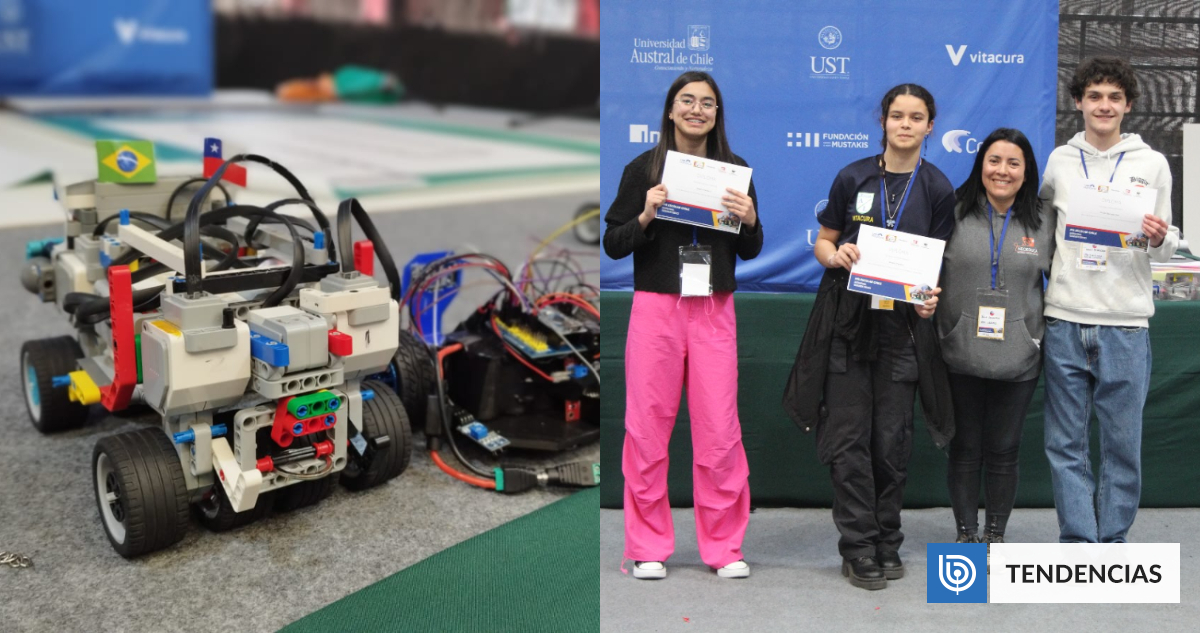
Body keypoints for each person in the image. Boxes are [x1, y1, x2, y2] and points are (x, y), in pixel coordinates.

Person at [783, 84, 956, 590]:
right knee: (850, 440)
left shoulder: (939, 188)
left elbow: (936, 264)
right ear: (882, 121)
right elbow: (824, 239)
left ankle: (887, 540)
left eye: (916, 116)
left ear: (930, 125)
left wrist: (928, 300)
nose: (905, 124)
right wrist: (832, 256)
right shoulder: (852, 176)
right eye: (897, 115)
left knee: (891, 444)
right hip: (847, 325)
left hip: (902, 330)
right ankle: (857, 548)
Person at [603, 70, 763, 580]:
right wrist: (647, 214)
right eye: (687, 101)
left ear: (718, 115)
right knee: (647, 428)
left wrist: (751, 219)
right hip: (657, 308)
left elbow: (751, 249)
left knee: (719, 430)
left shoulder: (735, 170)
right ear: (670, 110)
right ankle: (648, 547)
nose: (697, 109)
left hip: (714, 309)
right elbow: (614, 242)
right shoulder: (642, 169)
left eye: (708, 103)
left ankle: (724, 548)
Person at [1039, 56, 1177, 543]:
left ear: (1129, 105)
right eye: (1094, 96)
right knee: (1065, 442)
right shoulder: (1058, 161)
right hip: (1064, 319)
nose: (1104, 105)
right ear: (1078, 102)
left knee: (1122, 444)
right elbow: (1043, 234)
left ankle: (1113, 540)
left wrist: (1161, 237)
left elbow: (1164, 240)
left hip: (1126, 322)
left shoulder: (1152, 164)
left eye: (1114, 97)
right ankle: (1078, 539)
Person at [937, 129, 1055, 559]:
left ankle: (995, 537)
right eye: (994, 160)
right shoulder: (950, 212)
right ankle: (966, 536)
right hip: (958, 351)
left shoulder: (1045, 219)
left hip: (1019, 355)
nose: (1002, 170)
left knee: (1004, 450)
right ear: (980, 165)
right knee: (964, 448)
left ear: (1026, 173)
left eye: (1013, 163)